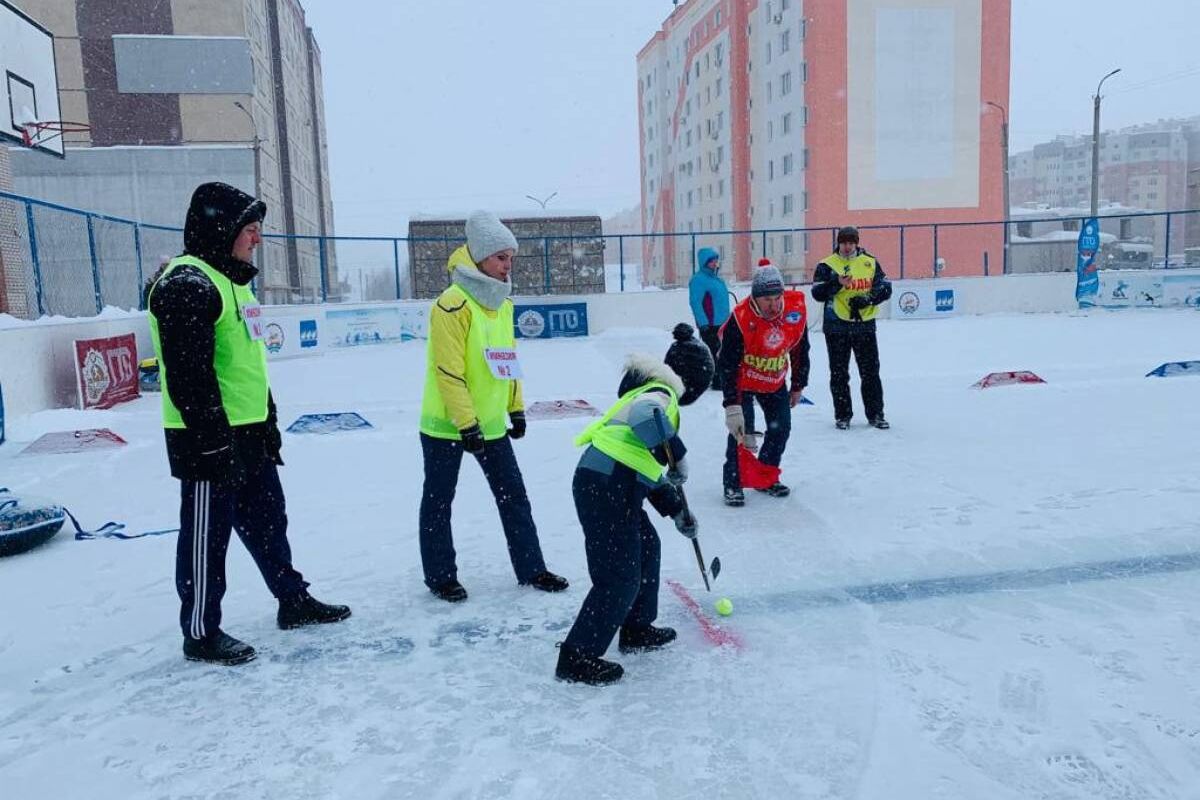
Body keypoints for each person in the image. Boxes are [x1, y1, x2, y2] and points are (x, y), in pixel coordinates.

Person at [148, 182, 350, 666]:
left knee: (268, 523)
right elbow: (189, 378)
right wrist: (212, 440)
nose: (257, 239)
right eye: (250, 230)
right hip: (207, 439)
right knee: (206, 538)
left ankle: (292, 600)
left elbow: (247, 364)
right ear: (222, 229)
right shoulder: (186, 284)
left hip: (249, 430)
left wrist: (268, 419)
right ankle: (200, 631)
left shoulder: (234, 282)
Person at [419, 210, 568, 603]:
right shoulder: (452, 304)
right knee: (439, 501)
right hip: (446, 426)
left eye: (511, 258)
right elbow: (448, 371)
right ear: (482, 256)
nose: (508, 265)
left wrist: (515, 407)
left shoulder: (502, 304)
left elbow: (507, 360)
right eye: (501, 257)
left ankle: (532, 568)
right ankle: (440, 576)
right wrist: (465, 423)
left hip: (490, 421)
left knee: (514, 496)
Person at [556, 324, 714, 685]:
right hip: (608, 485)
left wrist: (677, 509)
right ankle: (577, 656)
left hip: (610, 483)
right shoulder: (659, 394)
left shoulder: (646, 392)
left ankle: (637, 627)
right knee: (619, 575)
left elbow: (643, 466)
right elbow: (647, 418)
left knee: (646, 546)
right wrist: (676, 456)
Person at [717, 260, 810, 507]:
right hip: (743, 379)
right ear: (754, 299)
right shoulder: (740, 318)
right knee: (741, 431)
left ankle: (765, 477)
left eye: (777, 297)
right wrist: (732, 405)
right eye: (767, 299)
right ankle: (733, 483)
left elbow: (800, 349)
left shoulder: (794, 310)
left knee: (781, 429)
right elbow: (728, 365)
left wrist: (798, 385)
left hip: (774, 378)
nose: (774, 304)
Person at [809, 226, 893, 430]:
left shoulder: (870, 262)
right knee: (839, 373)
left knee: (870, 372)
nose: (847, 247)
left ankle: (876, 414)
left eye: (850, 243)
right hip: (836, 327)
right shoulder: (827, 264)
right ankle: (843, 415)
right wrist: (836, 283)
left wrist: (868, 298)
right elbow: (817, 292)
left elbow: (886, 288)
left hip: (864, 326)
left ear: (856, 243)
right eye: (843, 243)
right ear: (838, 243)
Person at [687, 247, 731, 389]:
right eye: (711, 261)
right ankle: (717, 380)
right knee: (714, 352)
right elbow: (695, 302)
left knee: (724, 351)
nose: (715, 263)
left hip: (723, 323)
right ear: (704, 263)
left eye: (715, 260)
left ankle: (721, 378)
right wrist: (703, 323)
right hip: (711, 324)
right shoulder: (699, 280)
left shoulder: (717, 279)